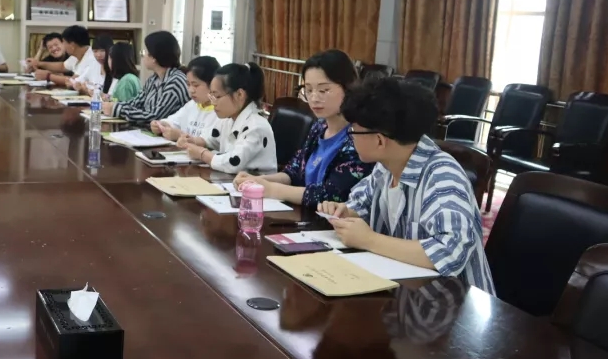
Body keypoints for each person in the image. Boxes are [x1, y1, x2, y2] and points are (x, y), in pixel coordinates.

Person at [319, 76, 495, 293]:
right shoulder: (387, 165)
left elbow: (450, 251)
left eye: (353, 131)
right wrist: (344, 212)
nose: (351, 138)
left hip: (454, 302)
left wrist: (370, 240)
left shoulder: (442, 176)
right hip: (407, 292)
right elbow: (361, 204)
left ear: (380, 140)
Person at [234, 49, 370, 211]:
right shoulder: (319, 126)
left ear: (348, 88)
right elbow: (293, 172)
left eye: (323, 90)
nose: (314, 98)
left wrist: (271, 189)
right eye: (309, 90)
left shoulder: (359, 135)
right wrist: (259, 180)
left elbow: (331, 195)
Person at [178, 62, 277, 174]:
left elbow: (233, 162)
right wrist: (192, 141)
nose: (213, 102)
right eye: (211, 96)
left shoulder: (257, 126)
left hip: (256, 183)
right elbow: (210, 140)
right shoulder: (228, 119)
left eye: (217, 96)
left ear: (239, 95)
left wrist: (202, 154)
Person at [102, 31, 188, 124]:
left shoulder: (175, 82)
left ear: (154, 57)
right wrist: (112, 105)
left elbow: (154, 116)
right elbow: (136, 103)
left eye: (144, 52)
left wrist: (116, 109)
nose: (142, 56)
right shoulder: (153, 79)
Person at [151, 56, 219, 141]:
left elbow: (209, 142)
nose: (191, 90)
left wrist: (180, 135)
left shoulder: (220, 112)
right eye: (188, 84)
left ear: (212, 84)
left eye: (196, 85)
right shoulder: (192, 105)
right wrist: (160, 125)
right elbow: (173, 121)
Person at [34, 25, 105, 92]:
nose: (64, 46)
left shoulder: (92, 57)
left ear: (72, 45)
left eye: (64, 42)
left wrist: (48, 76)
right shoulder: (77, 55)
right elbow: (62, 66)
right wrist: (38, 63)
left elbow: (73, 81)